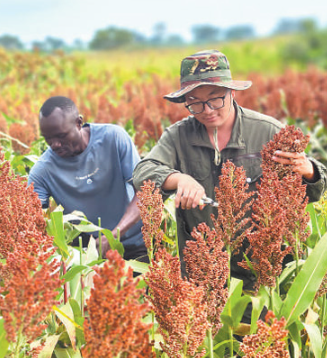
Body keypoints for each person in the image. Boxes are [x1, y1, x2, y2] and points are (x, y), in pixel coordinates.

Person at [133, 49, 327, 290]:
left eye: (215, 98)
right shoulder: (178, 136)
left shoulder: (267, 131)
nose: (207, 110)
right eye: (195, 103)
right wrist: (178, 178)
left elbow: (310, 193)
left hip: (263, 269)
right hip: (203, 269)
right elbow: (143, 173)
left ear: (232, 92)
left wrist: (308, 171)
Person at [28, 96, 147, 261]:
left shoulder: (113, 138)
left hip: (135, 243)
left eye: (61, 136)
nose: (54, 144)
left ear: (78, 123)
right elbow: (29, 221)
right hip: (89, 254)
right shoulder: (42, 171)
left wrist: (114, 235)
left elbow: (144, 193)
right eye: (48, 138)